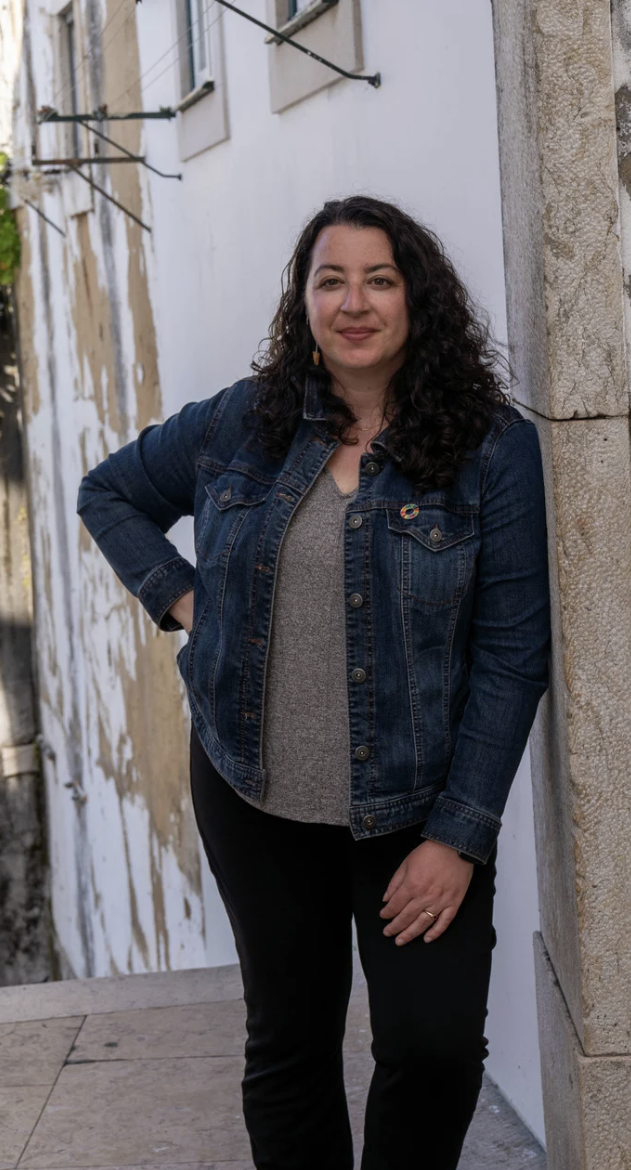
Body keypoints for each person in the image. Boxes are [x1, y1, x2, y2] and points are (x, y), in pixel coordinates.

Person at [77, 194, 551, 1170]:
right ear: (304, 301)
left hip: (416, 813)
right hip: (255, 795)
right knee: (288, 1046)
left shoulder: (491, 448)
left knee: (434, 1048)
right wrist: (188, 605)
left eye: (379, 279)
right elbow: (110, 492)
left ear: (416, 298)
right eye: (330, 279)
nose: (355, 302)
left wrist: (459, 837)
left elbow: (513, 652)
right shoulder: (240, 427)